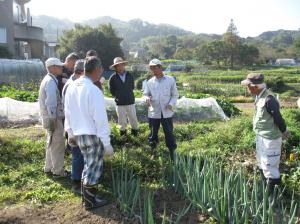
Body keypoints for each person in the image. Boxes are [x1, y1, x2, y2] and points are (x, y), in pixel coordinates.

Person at [64, 56, 113, 209]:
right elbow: (100, 120)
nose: (102, 72)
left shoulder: (72, 86)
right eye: (101, 70)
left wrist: (70, 133)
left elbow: (67, 112)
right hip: (92, 134)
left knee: (87, 166)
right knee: (94, 168)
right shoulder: (93, 90)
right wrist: (106, 143)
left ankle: (86, 199)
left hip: (79, 134)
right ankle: (90, 202)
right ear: (97, 70)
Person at [241, 73, 290, 192]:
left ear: (255, 87)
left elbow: (278, 118)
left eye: (248, 86)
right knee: (262, 162)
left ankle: (273, 196)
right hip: (261, 136)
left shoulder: (269, 99)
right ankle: (265, 190)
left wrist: (284, 132)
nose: (247, 89)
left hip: (270, 139)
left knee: (270, 165)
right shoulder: (259, 96)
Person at [38, 58, 69, 178]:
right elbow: (50, 102)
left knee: (51, 143)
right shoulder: (50, 81)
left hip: (49, 117)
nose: (61, 68)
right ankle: (58, 171)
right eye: (59, 66)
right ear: (52, 67)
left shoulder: (49, 79)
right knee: (58, 144)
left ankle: (49, 167)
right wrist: (53, 119)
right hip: (53, 117)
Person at [143, 59, 179, 161]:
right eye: (151, 68)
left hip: (167, 112)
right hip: (154, 112)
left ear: (160, 67)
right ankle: (153, 151)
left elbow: (175, 94)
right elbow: (145, 94)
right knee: (153, 133)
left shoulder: (170, 80)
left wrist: (171, 104)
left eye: (154, 67)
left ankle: (172, 152)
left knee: (169, 133)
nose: (153, 70)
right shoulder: (150, 82)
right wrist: (146, 98)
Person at [62, 59, 85, 194]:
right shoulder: (72, 85)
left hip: (75, 125)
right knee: (77, 155)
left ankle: (79, 179)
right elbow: (69, 110)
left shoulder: (74, 83)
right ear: (82, 72)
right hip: (74, 126)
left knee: (79, 154)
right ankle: (76, 183)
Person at [109, 57, 139, 136]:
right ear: (115, 67)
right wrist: (119, 96)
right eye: (117, 65)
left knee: (133, 119)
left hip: (130, 101)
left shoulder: (129, 75)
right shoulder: (113, 78)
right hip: (120, 103)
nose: (120, 67)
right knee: (122, 121)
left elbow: (132, 87)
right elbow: (112, 91)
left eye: (121, 65)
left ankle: (135, 135)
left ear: (123, 65)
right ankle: (123, 137)